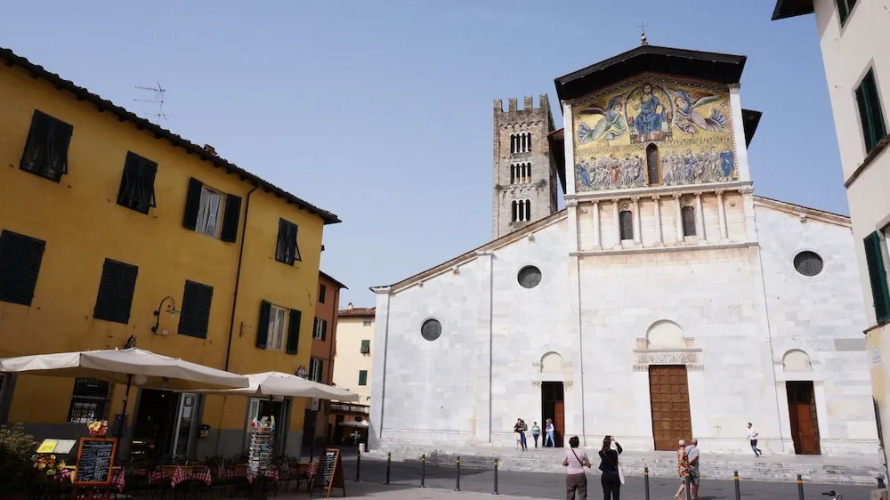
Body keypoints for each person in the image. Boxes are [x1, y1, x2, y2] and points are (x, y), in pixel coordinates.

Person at [563, 435, 591, 499]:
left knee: (570, 494)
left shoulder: (568, 452)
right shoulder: (582, 452)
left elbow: (564, 463)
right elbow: (589, 465)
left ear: (570, 443)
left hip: (570, 475)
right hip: (580, 475)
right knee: (582, 494)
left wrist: (570, 463)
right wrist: (582, 464)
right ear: (578, 443)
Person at [597, 435, 622, 500]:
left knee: (606, 495)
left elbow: (602, 450)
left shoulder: (601, 453)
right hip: (614, 475)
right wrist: (615, 441)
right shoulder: (614, 453)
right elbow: (620, 449)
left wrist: (605, 442)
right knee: (616, 496)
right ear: (610, 444)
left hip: (606, 475)